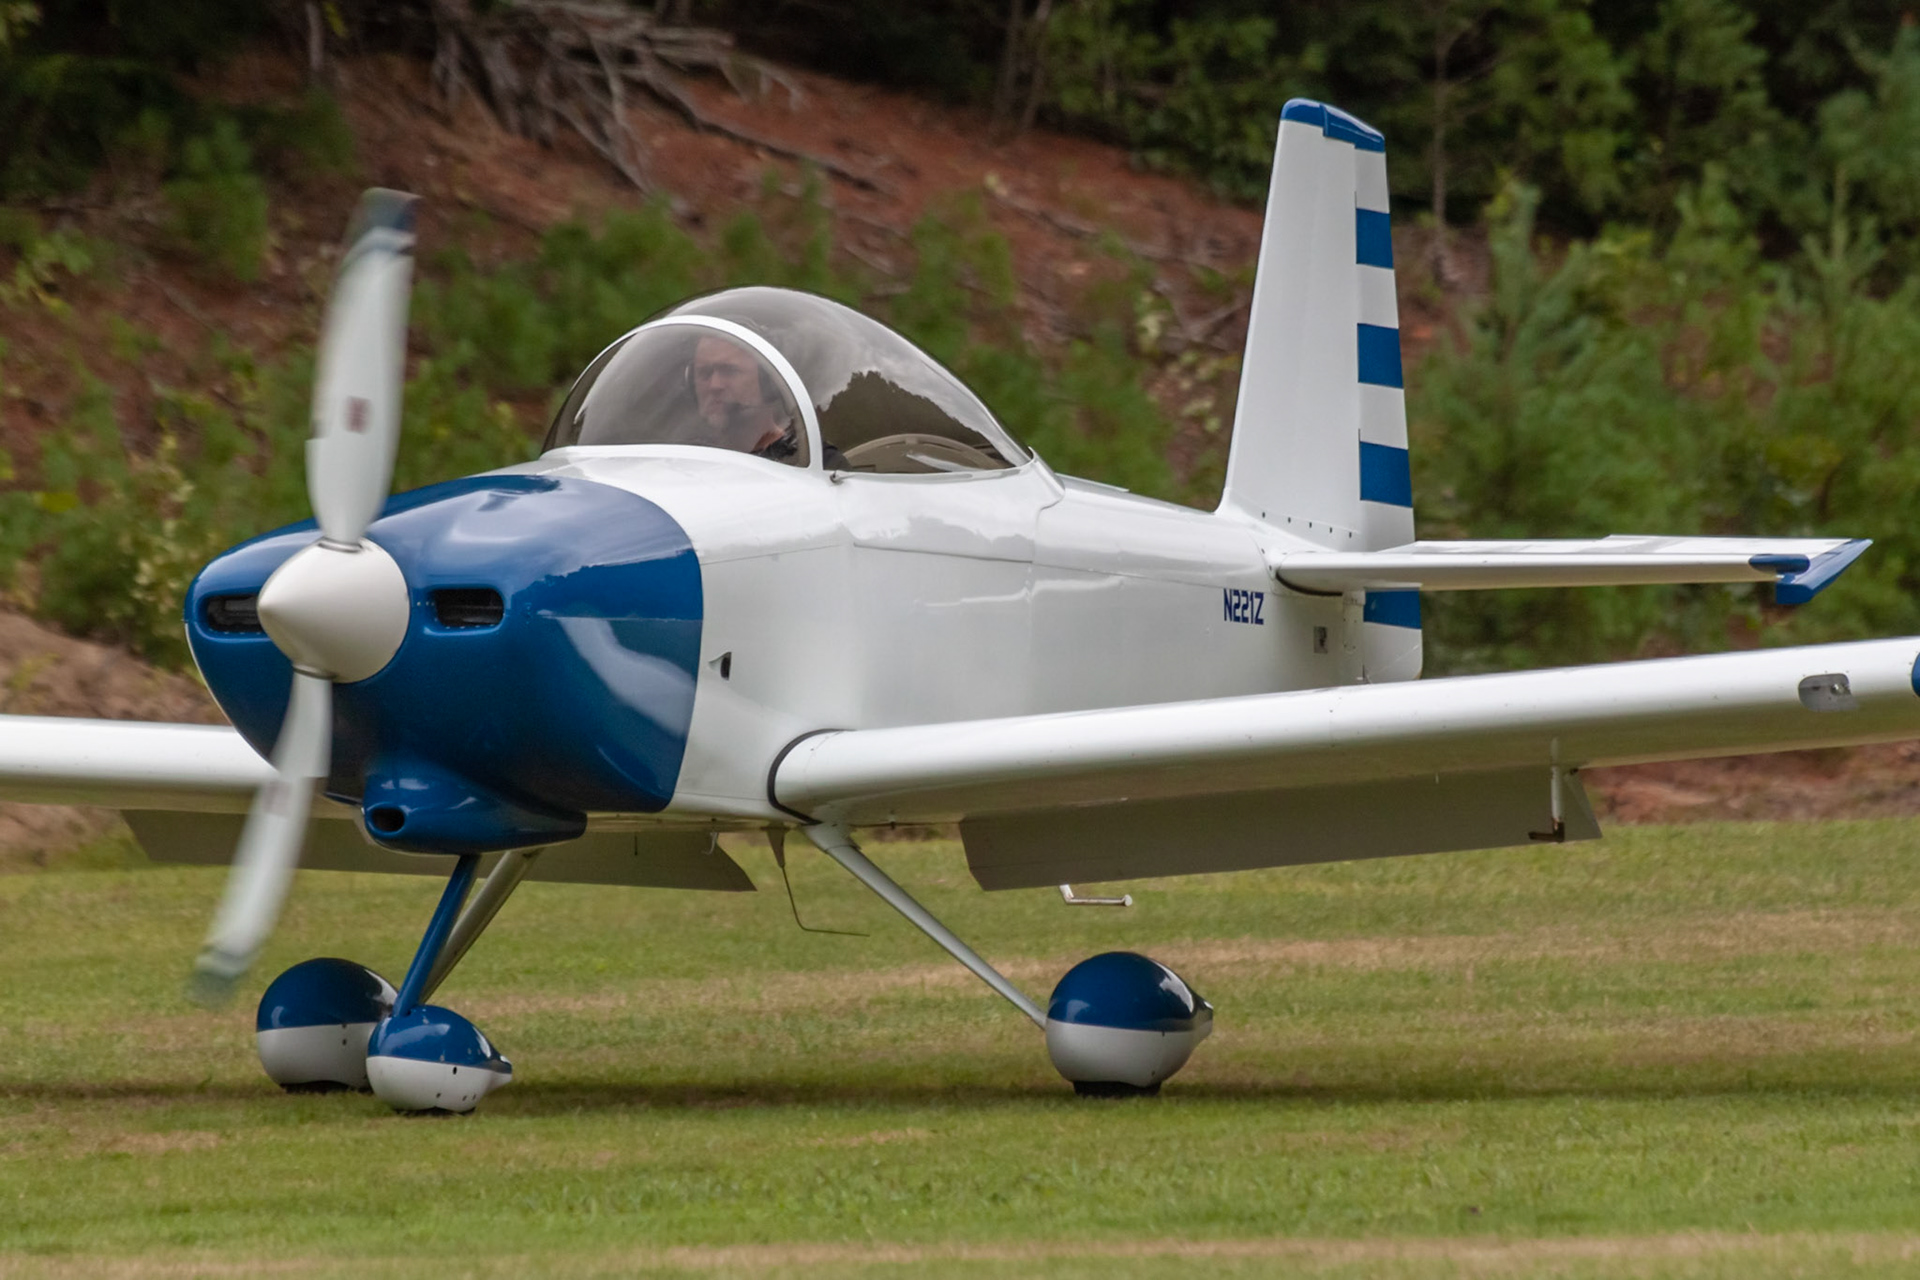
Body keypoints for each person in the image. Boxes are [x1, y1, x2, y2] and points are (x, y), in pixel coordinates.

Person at [689, 332, 844, 468]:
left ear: (768, 381)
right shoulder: (687, 459)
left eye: (729, 371)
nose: (714, 385)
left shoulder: (822, 464)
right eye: (704, 373)